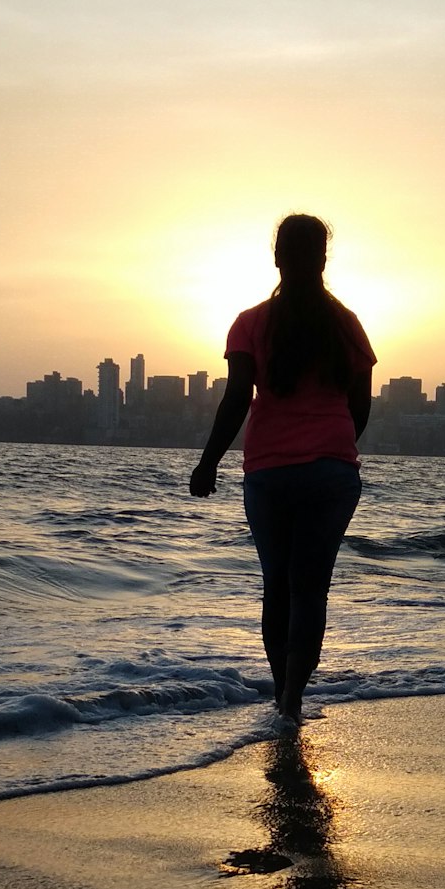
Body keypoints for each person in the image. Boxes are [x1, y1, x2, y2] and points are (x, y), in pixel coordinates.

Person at [189, 214, 375, 726]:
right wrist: (331, 445)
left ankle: (280, 698)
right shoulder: (348, 324)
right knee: (312, 587)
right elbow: (360, 406)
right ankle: (293, 697)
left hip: (269, 470)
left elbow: (235, 399)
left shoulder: (250, 323)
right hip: (333, 473)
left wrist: (208, 463)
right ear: (323, 259)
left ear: (276, 257)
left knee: (278, 586)